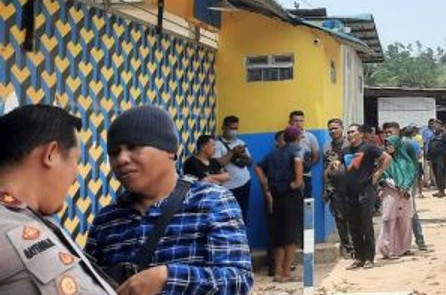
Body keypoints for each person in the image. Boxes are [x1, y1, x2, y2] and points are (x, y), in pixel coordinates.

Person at [87, 105, 252, 295]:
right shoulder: (106, 220)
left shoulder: (212, 202)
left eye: (134, 147)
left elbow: (238, 281)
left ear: (170, 151)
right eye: (114, 152)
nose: (122, 159)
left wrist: (167, 278)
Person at [0, 105, 115, 295]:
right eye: (76, 161)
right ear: (51, 154)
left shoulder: (25, 217)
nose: (76, 176)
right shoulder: (13, 229)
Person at [254, 128, 304, 282]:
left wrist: (266, 184)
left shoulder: (274, 153)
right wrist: (296, 183)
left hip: (275, 196)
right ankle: (286, 273)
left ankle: (277, 272)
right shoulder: (296, 151)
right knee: (290, 236)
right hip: (290, 195)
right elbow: (298, 177)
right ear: (296, 139)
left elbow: (257, 167)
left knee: (278, 236)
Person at [341, 124, 389, 270]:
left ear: (361, 134)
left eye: (352, 132)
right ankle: (358, 258)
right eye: (348, 132)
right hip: (350, 192)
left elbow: (387, 158)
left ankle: (369, 258)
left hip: (366, 191)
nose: (349, 135)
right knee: (354, 226)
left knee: (366, 225)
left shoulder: (369, 147)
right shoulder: (345, 151)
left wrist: (378, 173)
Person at [376, 135, 417, 260]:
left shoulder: (406, 161)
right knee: (389, 220)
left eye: (391, 145)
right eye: (387, 145)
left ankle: (404, 248)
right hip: (391, 193)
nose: (388, 148)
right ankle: (387, 250)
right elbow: (383, 177)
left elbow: (412, 174)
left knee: (405, 221)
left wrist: (406, 188)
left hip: (405, 194)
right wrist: (397, 186)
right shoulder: (385, 161)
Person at [322, 119, 354, 258]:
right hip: (335, 188)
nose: (332, 131)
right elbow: (325, 170)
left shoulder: (351, 145)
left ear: (342, 128)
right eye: (330, 129)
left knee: (354, 217)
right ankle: (346, 246)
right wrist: (326, 188)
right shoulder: (326, 148)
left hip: (352, 187)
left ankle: (356, 245)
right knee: (340, 218)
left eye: (335, 128)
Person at [212, 116, 252, 220]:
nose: (234, 131)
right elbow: (217, 164)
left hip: (245, 183)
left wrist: (242, 155)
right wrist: (233, 152)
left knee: (243, 214)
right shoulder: (216, 145)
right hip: (228, 187)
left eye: (236, 129)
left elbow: (250, 162)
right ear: (224, 127)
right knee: (230, 216)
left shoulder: (240, 142)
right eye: (231, 128)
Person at [288, 111, 320, 198]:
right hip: (289, 176)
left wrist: (308, 165)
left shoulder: (311, 137)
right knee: (290, 204)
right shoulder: (285, 136)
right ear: (290, 122)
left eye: (301, 121)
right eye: (295, 121)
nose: (298, 123)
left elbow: (316, 156)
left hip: (306, 176)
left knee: (306, 203)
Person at [426, 122, 446, 197]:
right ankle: (439, 189)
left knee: (440, 173)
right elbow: (429, 147)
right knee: (436, 174)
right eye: (435, 124)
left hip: (441, 157)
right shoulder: (432, 135)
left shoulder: (444, 135)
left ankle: (442, 191)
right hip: (433, 157)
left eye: (437, 124)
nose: (436, 126)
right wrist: (428, 158)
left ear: (440, 126)